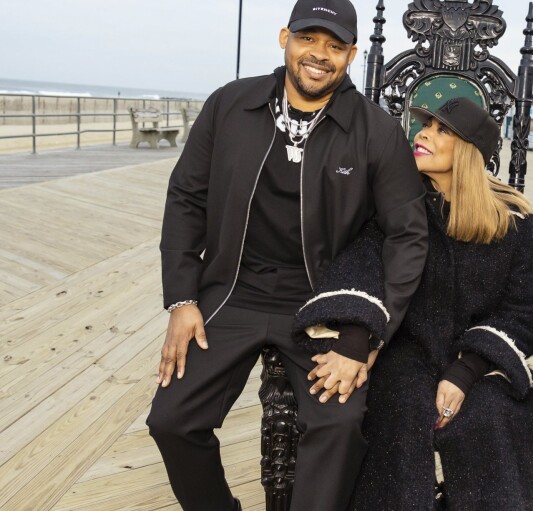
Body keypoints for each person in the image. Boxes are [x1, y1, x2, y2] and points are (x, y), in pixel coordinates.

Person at [145, 0, 429, 509]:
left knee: (340, 423)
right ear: (284, 38)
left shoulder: (377, 132)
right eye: (308, 39)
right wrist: (181, 300)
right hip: (232, 291)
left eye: (334, 46)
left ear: (351, 54)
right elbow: (186, 196)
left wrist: (370, 329)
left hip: (323, 303)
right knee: (170, 420)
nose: (319, 55)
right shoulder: (230, 105)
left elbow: (406, 236)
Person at [294, 97, 533, 510]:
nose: (423, 134)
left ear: (468, 150)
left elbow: (523, 309)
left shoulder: (513, 222)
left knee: (491, 420)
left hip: (480, 360)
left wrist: (466, 371)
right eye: (425, 125)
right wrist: (358, 339)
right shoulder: (398, 204)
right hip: (405, 349)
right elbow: (361, 265)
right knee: (399, 413)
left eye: (441, 129)